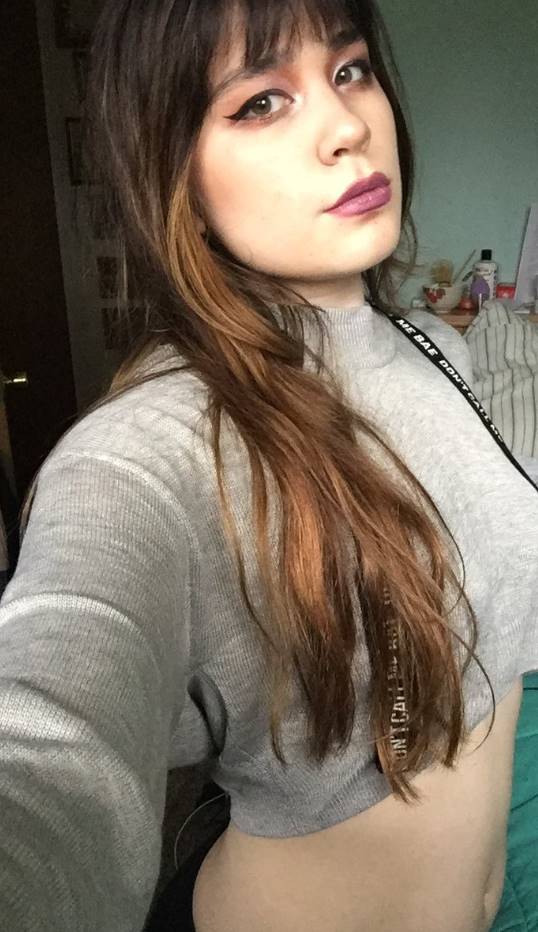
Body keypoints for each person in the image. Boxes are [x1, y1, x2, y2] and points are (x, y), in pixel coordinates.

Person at [0, 1, 537, 930]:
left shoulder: (429, 347)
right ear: (173, 168)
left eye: (349, 70)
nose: (346, 126)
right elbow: (50, 737)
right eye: (259, 102)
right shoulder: (152, 450)